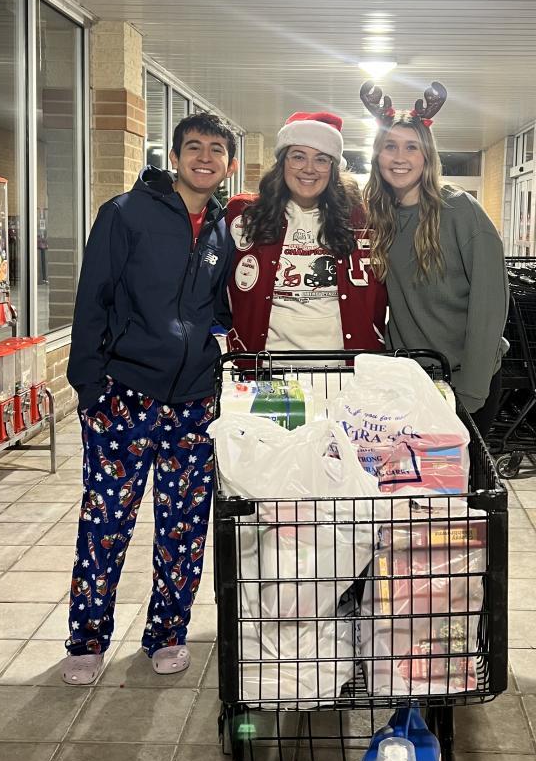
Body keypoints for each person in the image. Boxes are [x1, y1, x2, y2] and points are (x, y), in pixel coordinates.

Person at [61, 112, 237, 684]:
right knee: (106, 522)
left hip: (194, 402)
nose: (205, 157)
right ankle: (87, 641)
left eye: (216, 149)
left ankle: (167, 634)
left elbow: (218, 308)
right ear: (175, 156)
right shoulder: (124, 214)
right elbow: (91, 301)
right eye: (195, 147)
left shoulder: (221, 228)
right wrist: (91, 389)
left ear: (229, 162)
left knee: (183, 527)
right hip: (125, 396)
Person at [361, 82, 508, 438]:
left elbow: (490, 305)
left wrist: (470, 393)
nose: (400, 157)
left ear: (427, 156)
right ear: (377, 157)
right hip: (408, 381)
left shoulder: (459, 211)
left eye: (411, 147)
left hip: (462, 382)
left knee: (458, 474)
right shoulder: (380, 216)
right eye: (390, 147)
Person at [227, 110, 386, 353]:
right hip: (266, 366)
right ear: (283, 162)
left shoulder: (360, 220)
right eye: (298, 157)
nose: (309, 168)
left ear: (333, 168)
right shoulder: (245, 214)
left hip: (343, 367)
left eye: (321, 159)